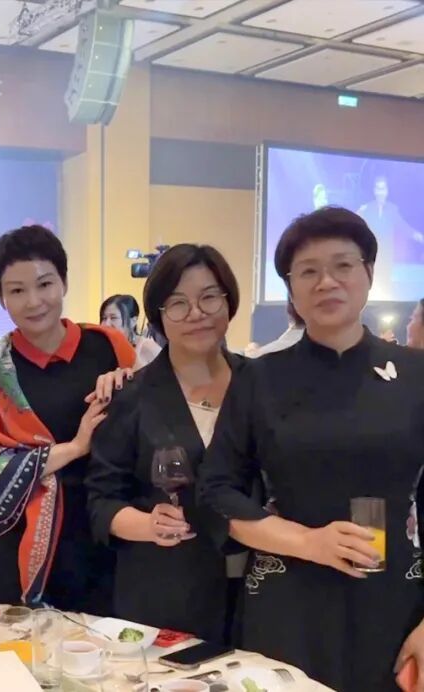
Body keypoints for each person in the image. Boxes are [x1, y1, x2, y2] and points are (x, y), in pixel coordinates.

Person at [198, 207, 424, 691]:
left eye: (343, 265)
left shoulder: (416, 374)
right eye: (308, 272)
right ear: (291, 288)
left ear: (368, 273)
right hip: (288, 596)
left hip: (396, 600)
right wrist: (309, 542)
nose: (326, 282)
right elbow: (216, 490)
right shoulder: (259, 378)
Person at [0, 225, 135, 610]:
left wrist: (131, 381)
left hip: (105, 530)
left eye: (44, 284)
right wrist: (75, 447)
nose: (34, 301)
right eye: (17, 291)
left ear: (64, 282)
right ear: (1, 297)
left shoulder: (109, 346)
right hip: (20, 539)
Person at [88, 244, 246, 643]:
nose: (196, 313)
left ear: (228, 301)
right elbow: (101, 500)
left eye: (209, 297)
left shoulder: (260, 385)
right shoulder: (132, 395)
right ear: (158, 315)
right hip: (165, 592)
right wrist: (147, 525)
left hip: (258, 591)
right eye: (178, 303)